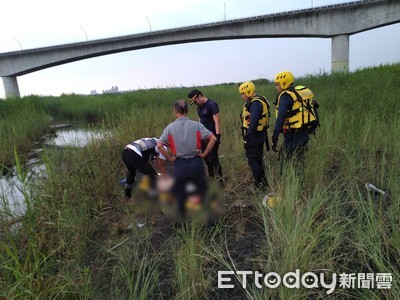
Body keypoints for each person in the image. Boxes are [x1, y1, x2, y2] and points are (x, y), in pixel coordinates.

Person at [157, 100, 217, 219]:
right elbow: (213, 139)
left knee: (180, 193)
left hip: (180, 165)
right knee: (202, 191)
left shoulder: (170, 128)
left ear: (175, 112)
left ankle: (180, 222)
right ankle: (209, 220)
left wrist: (169, 158)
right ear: (187, 111)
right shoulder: (196, 125)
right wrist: (204, 154)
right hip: (196, 162)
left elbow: (159, 145)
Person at [271, 70, 318, 176]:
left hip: (293, 135)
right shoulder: (299, 94)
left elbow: (280, 119)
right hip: (304, 132)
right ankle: (300, 181)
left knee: (285, 160)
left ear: (284, 83)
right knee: (299, 159)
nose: (276, 87)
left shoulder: (285, 97)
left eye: (277, 85)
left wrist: (274, 137)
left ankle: (285, 182)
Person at [187, 89, 224, 185]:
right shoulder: (199, 108)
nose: (195, 103)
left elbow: (217, 121)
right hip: (203, 137)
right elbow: (200, 122)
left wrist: (218, 136)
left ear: (199, 96)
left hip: (212, 138)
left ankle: (220, 182)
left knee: (213, 160)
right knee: (206, 159)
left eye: (195, 101)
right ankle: (212, 179)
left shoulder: (212, 105)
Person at [239, 81, 270, 188]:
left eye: (243, 94)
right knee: (257, 159)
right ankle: (261, 182)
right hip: (259, 134)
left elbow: (253, 122)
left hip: (255, 136)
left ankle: (260, 184)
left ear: (249, 91)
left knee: (253, 160)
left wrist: (248, 139)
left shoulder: (255, 104)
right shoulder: (256, 102)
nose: (242, 96)